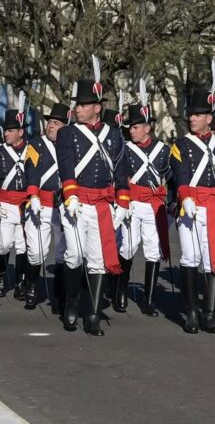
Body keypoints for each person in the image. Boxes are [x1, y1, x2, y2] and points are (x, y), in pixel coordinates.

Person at [57, 78, 128, 336]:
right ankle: (71, 302)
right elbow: (66, 165)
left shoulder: (114, 134)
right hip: (76, 202)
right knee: (75, 254)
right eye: (77, 105)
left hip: (102, 204)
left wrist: (123, 202)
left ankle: (93, 314)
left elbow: (121, 170)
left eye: (83, 105)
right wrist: (71, 195)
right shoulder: (67, 133)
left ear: (97, 108)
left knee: (98, 260)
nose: (77, 109)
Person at [170, 86, 215, 334]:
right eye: (191, 114)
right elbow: (180, 173)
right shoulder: (181, 145)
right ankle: (191, 311)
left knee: (212, 259)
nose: (192, 118)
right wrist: (185, 197)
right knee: (190, 256)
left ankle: (209, 313)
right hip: (192, 207)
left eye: (197, 115)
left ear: (209, 118)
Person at [118, 91, 172, 316]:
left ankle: (148, 299)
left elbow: (170, 176)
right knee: (127, 247)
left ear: (147, 128)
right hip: (132, 203)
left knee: (153, 250)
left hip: (153, 205)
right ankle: (120, 290)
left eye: (136, 127)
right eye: (130, 127)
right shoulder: (125, 149)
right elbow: (118, 176)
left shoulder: (164, 150)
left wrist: (172, 200)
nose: (131, 130)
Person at [24, 103, 70, 311]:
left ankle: (59, 293)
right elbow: (31, 169)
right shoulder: (36, 144)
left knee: (62, 252)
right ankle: (31, 284)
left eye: (56, 123)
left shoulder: (71, 146)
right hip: (40, 204)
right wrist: (33, 194)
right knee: (36, 252)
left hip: (63, 205)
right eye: (50, 121)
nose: (51, 125)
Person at [0, 104, 29, 300]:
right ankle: (1, 275)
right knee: (3, 244)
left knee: (23, 246)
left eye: (10, 130)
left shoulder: (32, 150)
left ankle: (20, 282)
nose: (6, 133)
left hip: (25, 205)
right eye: (6, 130)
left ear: (20, 132)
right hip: (5, 205)